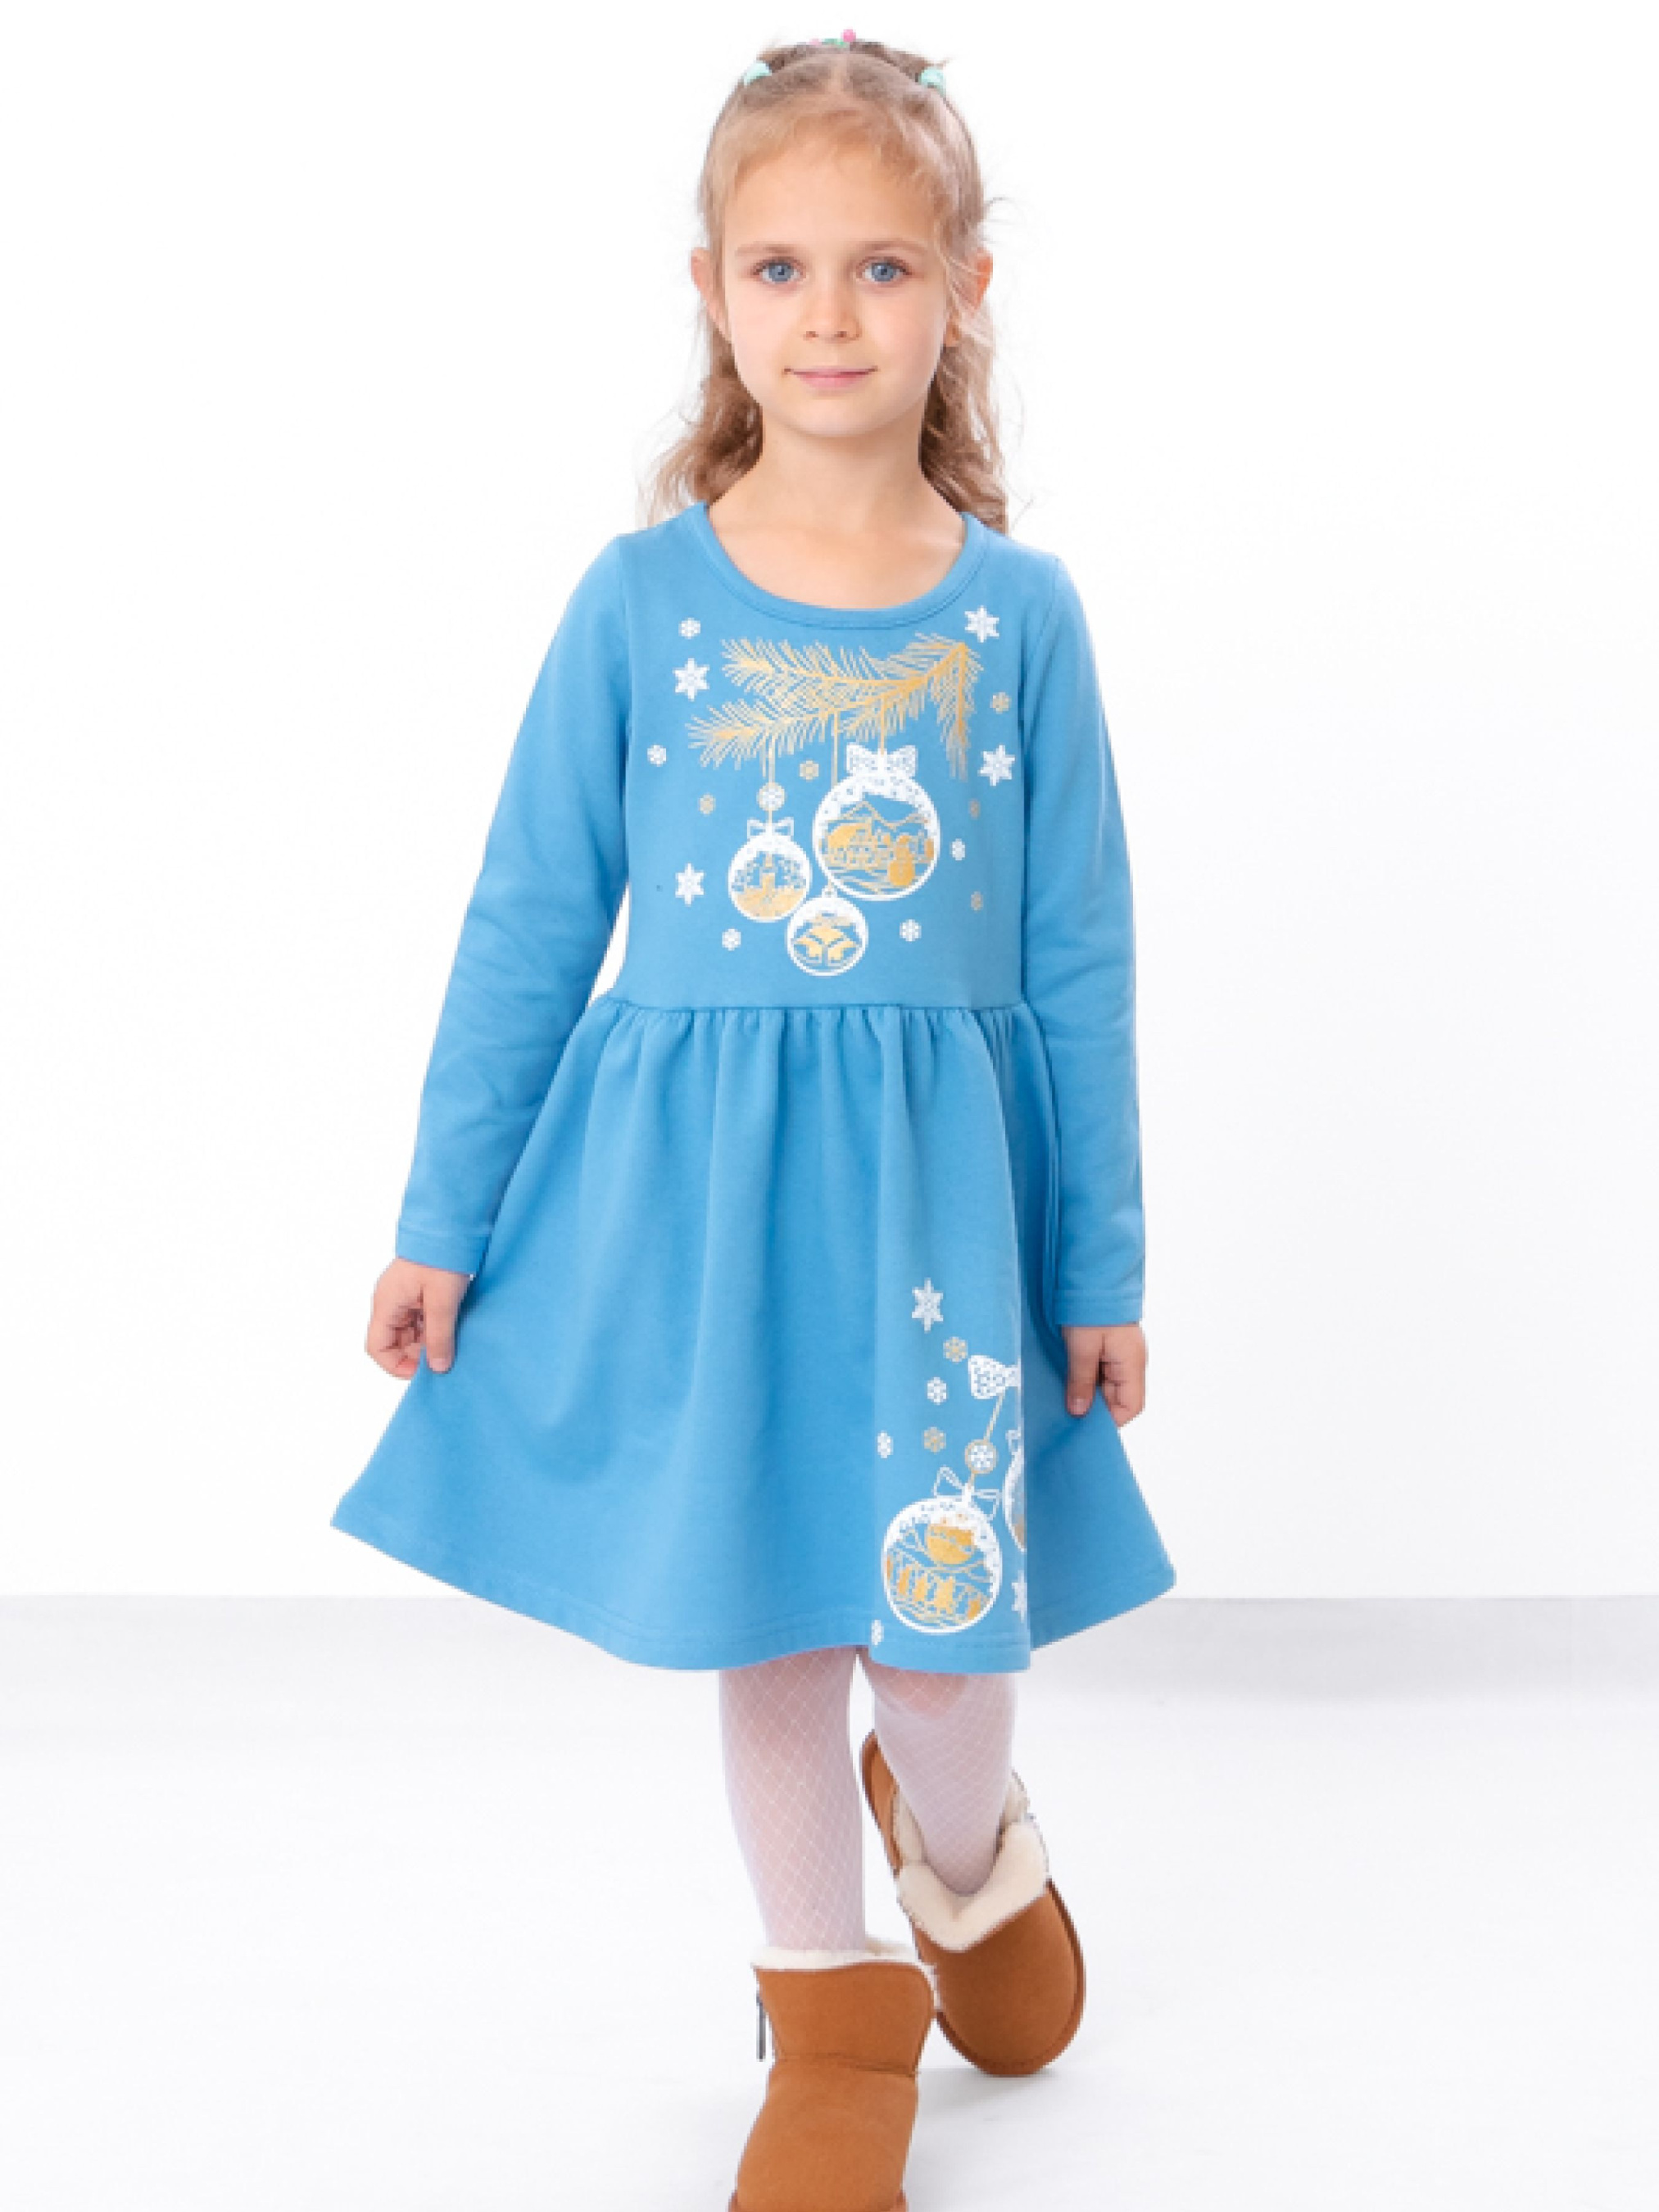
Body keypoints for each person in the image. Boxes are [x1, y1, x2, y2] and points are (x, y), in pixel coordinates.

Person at [330, 32, 1176, 2211]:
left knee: (942, 1640)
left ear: (964, 291)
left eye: (881, 267)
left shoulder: (1020, 618)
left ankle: (968, 1859)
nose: (829, 316)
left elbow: (1081, 958)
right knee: (774, 1623)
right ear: (708, 290)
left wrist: (1098, 1264)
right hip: (704, 1215)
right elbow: (530, 920)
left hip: (942, 1229)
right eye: (781, 267)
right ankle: (829, 2011)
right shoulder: (638, 606)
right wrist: (445, 1214)